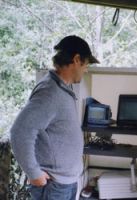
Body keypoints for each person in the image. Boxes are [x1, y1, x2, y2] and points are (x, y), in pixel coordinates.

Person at [10, 35, 99, 200]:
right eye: (86, 64)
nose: (86, 69)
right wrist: (34, 172)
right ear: (76, 59)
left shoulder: (62, 88)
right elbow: (19, 131)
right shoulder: (50, 92)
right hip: (53, 186)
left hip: (63, 183)